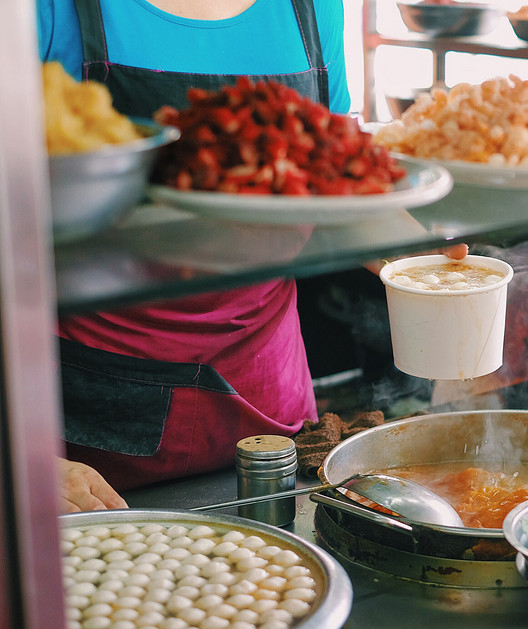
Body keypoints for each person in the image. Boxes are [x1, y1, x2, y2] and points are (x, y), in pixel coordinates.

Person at [37, 0, 465, 513]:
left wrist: (434, 269)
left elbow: (328, 185)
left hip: (267, 384)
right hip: (97, 410)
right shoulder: (46, 10)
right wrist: (22, 460)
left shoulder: (314, 7)